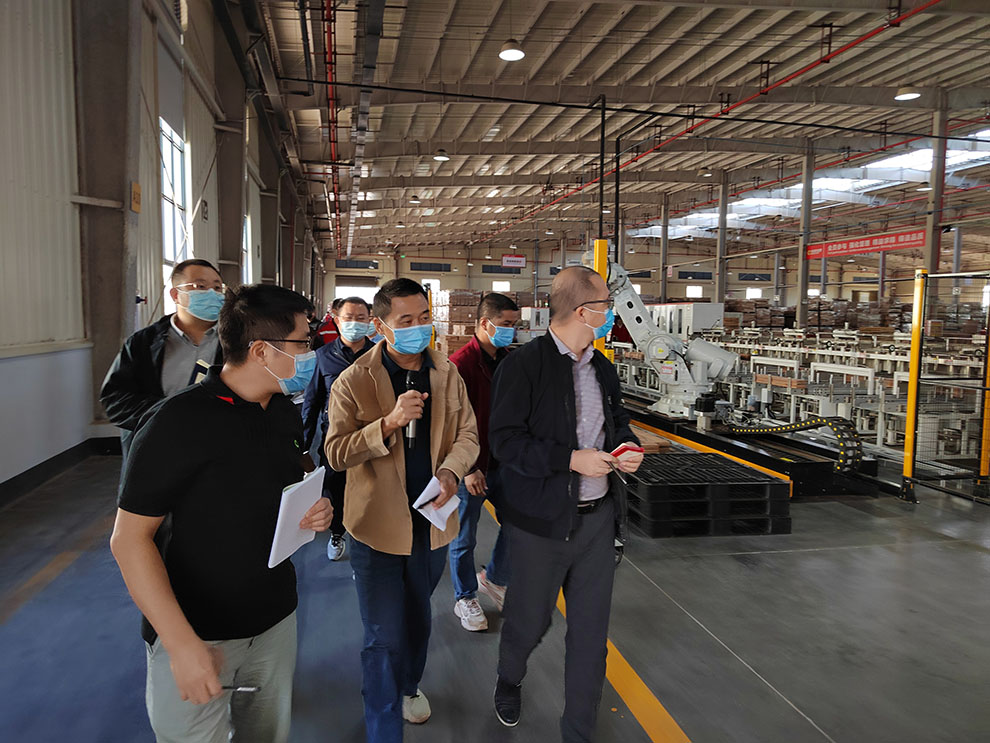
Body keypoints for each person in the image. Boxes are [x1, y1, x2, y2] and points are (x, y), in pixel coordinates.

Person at [109, 284, 333, 743]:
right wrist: (181, 644)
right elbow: (129, 540)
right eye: (303, 342)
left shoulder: (282, 412)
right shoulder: (177, 422)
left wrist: (315, 509)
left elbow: (292, 478)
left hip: (274, 620)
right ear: (261, 350)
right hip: (199, 630)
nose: (311, 354)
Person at [488, 266, 644, 742]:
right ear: (582, 311)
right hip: (540, 524)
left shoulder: (601, 367)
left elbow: (617, 420)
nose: (611, 313)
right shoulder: (524, 366)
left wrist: (628, 446)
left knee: (591, 636)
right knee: (529, 620)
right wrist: (570, 460)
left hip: (597, 522)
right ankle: (509, 676)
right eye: (606, 305)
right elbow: (505, 442)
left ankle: (578, 731)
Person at [325, 278, 479, 742]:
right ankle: (383, 725)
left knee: (417, 618)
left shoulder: (447, 373)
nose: (418, 328)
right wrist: (389, 422)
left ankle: (409, 685)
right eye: (405, 320)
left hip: (430, 525)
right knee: (382, 634)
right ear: (381, 326)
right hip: (375, 527)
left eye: (424, 318)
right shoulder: (354, 380)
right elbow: (336, 453)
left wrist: (451, 472)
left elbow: (468, 435)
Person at [447, 292, 520, 632]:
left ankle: (496, 578)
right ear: (484, 323)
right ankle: (465, 597)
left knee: (519, 523)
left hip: (505, 463)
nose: (511, 331)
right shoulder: (460, 365)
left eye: (514, 325)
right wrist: (469, 468)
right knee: (464, 537)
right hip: (473, 466)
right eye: (505, 324)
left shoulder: (509, 361)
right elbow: (451, 422)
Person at [101, 259, 225, 456]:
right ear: (176, 295)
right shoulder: (143, 343)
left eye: (217, 288)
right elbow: (115, 400)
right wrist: (169, 413)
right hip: (155, 450)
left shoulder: (237, 343)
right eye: (200, 287)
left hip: (216, 448)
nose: (212, 294)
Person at [301, 296, 375, 561]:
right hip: (335, 438)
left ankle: (367, 540)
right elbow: (312, 403)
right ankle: (337, 532)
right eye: (349, 318)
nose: (355, 323)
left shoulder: (380, 356)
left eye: (361, 318)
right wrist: (302, 446)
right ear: (336, 320)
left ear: (370, 321)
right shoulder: (323, 356)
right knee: (335, 486)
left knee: (370, 488)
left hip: (371, 437)